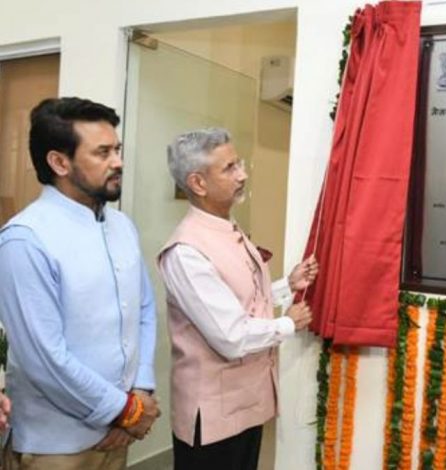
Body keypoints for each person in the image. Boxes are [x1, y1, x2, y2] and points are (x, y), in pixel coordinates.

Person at [0, 97, 160, 470]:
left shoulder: (122, 226)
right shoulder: (26, 240)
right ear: (59, 162)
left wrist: (139, 393)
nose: (117, 161)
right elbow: (45, 359)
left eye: (116, 149)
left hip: (119, 431)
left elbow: (144, 311)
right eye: (102, 152)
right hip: (56, 445)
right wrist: (125, 410)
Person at [158, 128, 316, 470]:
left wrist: (287, 285)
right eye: (229, 168)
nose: (242, 174)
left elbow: (237, 299)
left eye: (239, 163)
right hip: (214, 417)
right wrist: (288, 323)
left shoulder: (226, 227)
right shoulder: (186, 251)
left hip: (243, 403)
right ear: (198, 184)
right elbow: (230, 336)